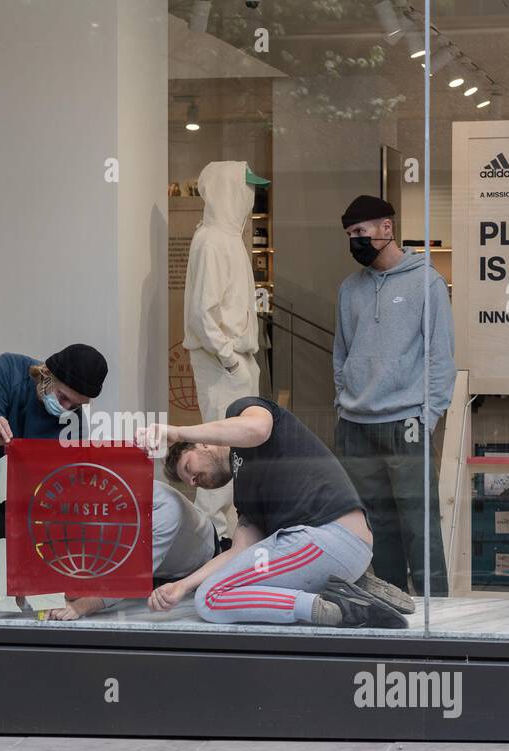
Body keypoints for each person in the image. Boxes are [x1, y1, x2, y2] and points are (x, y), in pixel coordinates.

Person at [138, 398, 415, 628]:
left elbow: (258, 429)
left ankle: (338, 607)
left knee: (211, 598)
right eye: (190, 483)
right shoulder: (245, 497)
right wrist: (182, 586)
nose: (195, 481)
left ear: (204, 444)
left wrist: (178, 432)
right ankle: (344, 587)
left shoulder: (243, 411)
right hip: (322, 548)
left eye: (188, 468)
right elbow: (237, 554)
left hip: (327, 536)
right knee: (215, 586)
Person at [334, 195, 455, 596]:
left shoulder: (427, 282)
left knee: (420, 525)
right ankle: (389, 607)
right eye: (350, 234)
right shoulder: (349, 288)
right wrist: (343, 401)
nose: (355, 241)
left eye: (361, 232)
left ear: (387, 229)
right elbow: (342, 353)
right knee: (374, 527)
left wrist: (429, 415)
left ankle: (438, 615)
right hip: (355, 425)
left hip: (406, 422)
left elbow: (441, 355)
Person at [182, 160, 267, 540]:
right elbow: (203, 310)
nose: (249, 196)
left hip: (235, 360)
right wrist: (229, 357)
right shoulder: (213, 240)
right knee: (216, 455)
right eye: (244, 187)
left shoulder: (227, 238)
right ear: (227, 189)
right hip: (223, 362)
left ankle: (230, 540)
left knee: (236, 455)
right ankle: (211, 543)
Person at [0, 343, 108, 542]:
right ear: (46, 373)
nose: (65, 408)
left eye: (75, 405)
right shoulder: (9, 369)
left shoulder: (74, 423)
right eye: (62, 397)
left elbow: (64, 484)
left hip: (30, 501)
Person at [49, 481, 219, 620]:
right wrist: (49, 599)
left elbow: (131, 578)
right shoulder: (91, 501)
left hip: (195, 567)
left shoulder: (165, 510)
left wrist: (81, 606)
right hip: (148, 565)